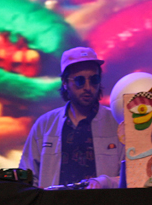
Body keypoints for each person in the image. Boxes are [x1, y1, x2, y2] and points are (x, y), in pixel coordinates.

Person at [19, 46, 125, 189]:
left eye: (94, 79)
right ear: (65, 83)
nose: (88, 87)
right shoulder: (44, 125)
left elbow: (132, 175)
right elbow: (27, 177)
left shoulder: (117, 123)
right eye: (80, 80)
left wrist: (105, 182)